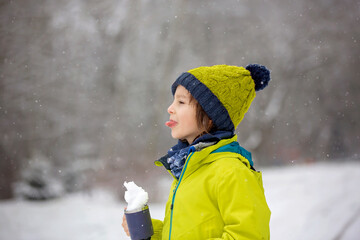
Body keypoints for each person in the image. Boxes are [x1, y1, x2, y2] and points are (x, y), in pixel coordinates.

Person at [122, 64, 271, 239]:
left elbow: (249, 236)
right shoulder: (189, 169)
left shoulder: (231, 172)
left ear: (210, 118)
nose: (170, 108)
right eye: (173, 100)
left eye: (181, 102)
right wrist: (149, 231)